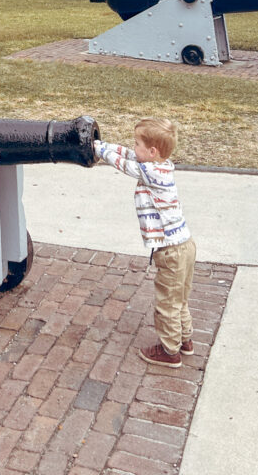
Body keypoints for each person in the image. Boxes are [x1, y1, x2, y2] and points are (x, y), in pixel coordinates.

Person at [96, 118, 196, 368]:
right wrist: (103, 143)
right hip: (185, 245)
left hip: (171, 251)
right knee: (179, 298)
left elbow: (121, 163)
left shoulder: (149, 172)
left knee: (166, 304)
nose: (133, 147)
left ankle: (169, 351)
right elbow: (129, 154)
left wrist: (98, 151)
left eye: (138, 143)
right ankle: (185, 340)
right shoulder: (161, 166)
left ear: (152, 152)